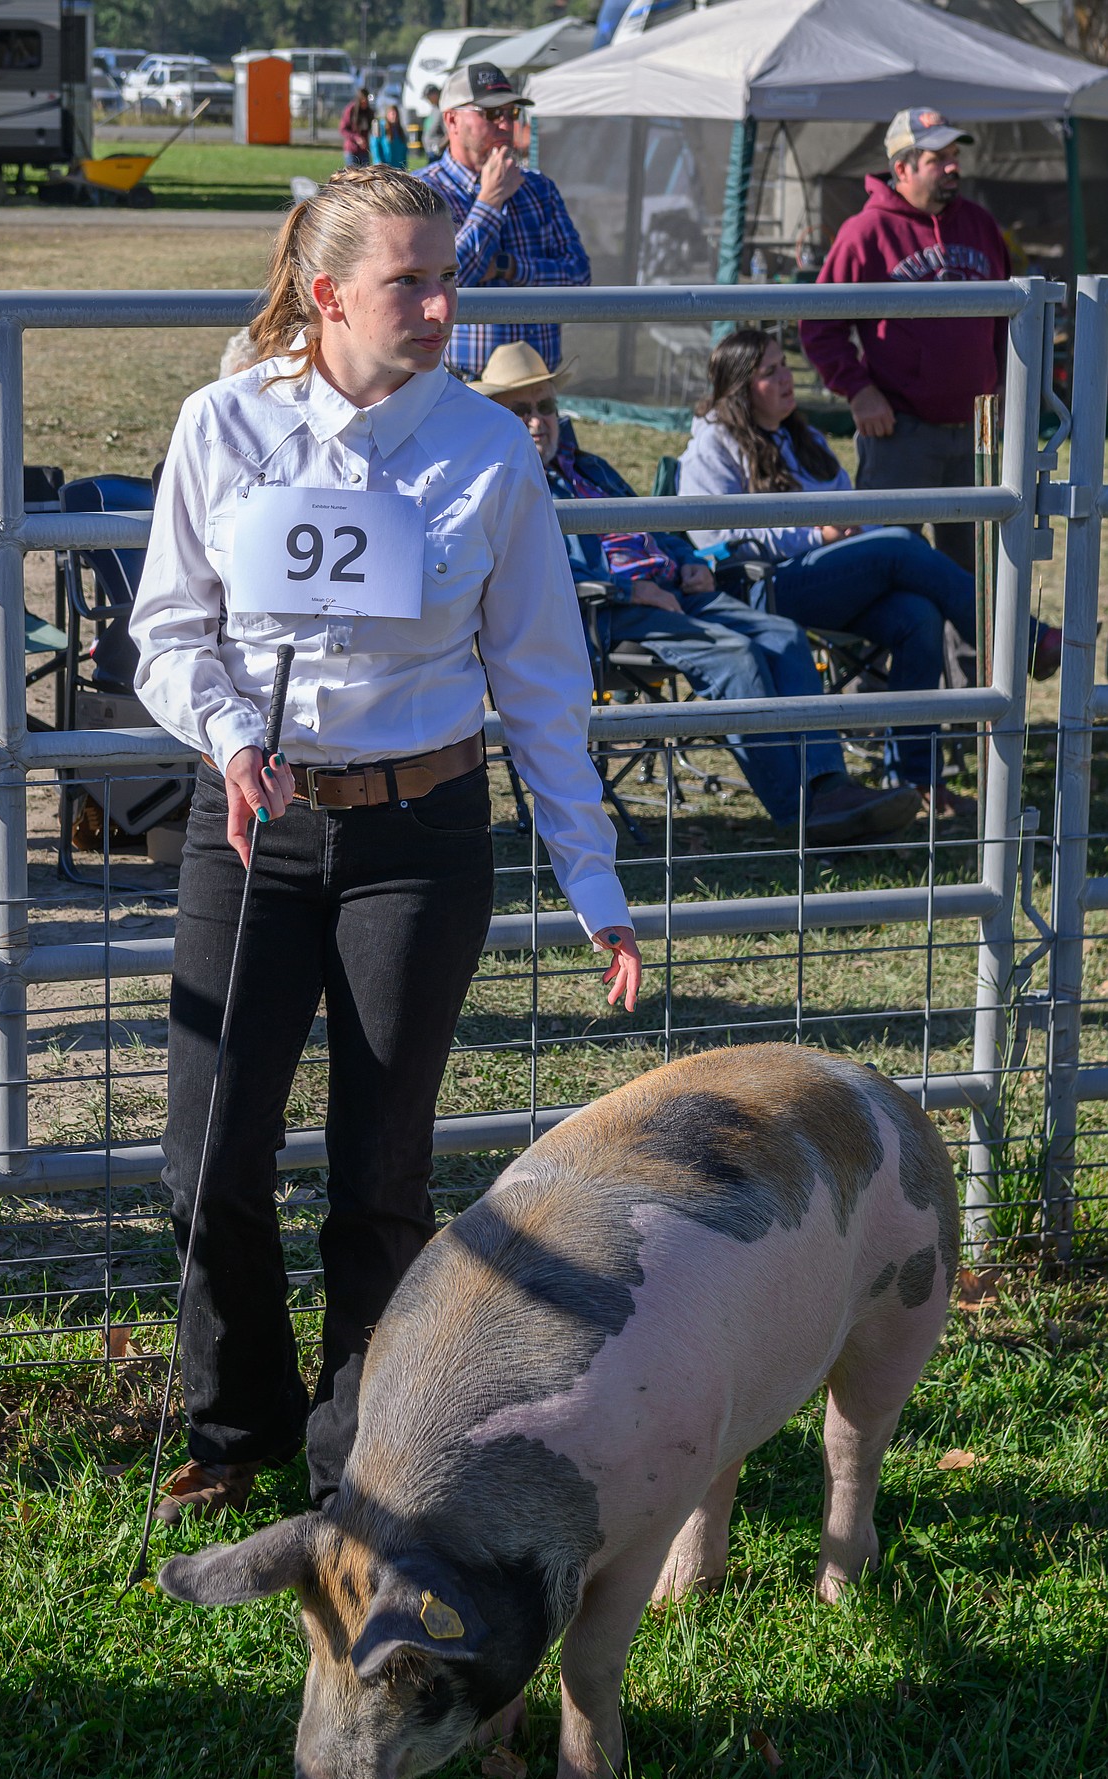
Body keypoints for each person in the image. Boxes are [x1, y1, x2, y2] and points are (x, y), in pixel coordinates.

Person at [130, 169, 641, 1525]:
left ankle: (355, 1459)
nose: (438, 305)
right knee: (209, 1158)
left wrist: (590, 876)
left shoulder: (484, 450)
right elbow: (168, 634)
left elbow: (540, 677)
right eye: (409, 280)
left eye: (445, 279)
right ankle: (233, 1419)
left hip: (420, 834)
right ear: (327, 293)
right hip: (253, 828)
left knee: (380, 1173)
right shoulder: (223, 425)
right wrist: (234, 735)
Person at [473, 342, 919, 848]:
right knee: (737, 656)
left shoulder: (591, 467)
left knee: (783, 636)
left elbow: (651, 525)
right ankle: (802, 817)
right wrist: (631, 588)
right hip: (606, 613)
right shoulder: (504, 482)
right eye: (520, 410)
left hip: (671, 592)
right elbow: (525, 574)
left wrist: (688, 562)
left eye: (545, 406)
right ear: (499, 417)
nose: (537, 421)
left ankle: (829, 786)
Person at [678, 330, 1062, 814]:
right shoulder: (712, 445)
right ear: (737, 387)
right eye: (768, 372)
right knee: (901, 544)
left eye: (784, 366)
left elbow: (851, 506)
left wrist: (857, 529)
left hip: (827, 577)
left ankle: (917, 783)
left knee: (918, 617)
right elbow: (717, 538)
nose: (785, 379)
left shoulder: (806, 437)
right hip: (763, 587)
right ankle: (1021, 640)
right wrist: (817, 536)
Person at [797, 109, 1058, 680]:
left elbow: (1007, 323)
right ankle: (880, 699)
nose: (952, 167)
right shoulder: (865, 233)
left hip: (978, 432)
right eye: (938, 158)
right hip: (901, 436)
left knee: (978, 571)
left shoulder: (981, 226)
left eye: (953, 156)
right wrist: (858, 390)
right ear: (902, 167)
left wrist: (1008, 394)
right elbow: (817, 324)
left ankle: (975, 705)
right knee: (888, 563)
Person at [418, 61, 589, 381]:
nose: (505, 125)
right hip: (461, 383)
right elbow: (443, 284)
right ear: (451, 120)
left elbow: (579, 278)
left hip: (537, 383)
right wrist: (490, 201)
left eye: (511, 114)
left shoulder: (539, 188)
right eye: (491, 114)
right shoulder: (423, 192)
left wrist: (510, 267)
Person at [339, 87, 373, 166]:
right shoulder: (350, 110)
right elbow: (343, 129)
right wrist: (356, 138)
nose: (365, 103)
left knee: (366, 175)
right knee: (353, 175)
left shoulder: (369, 112)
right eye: (363, 100)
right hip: (352, 150)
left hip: (364, 151)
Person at [370, 103, 408, 169]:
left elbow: (403, 151)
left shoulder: (400, 130)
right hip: (384, 168)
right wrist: (379, 163)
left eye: (396, 114)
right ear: (387, 115)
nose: (395, 116)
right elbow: (375, 146)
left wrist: (404, 167)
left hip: (398, 169)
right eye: (392, 113)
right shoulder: (380, 127)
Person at [421, 82, 446, 161]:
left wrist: (439, 147)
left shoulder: (443, 110)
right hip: (430, 152)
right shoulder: (434, 109)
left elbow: (449, 134)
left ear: (435, 94)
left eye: (428, 97)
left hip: (438, 154)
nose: (428, 100)